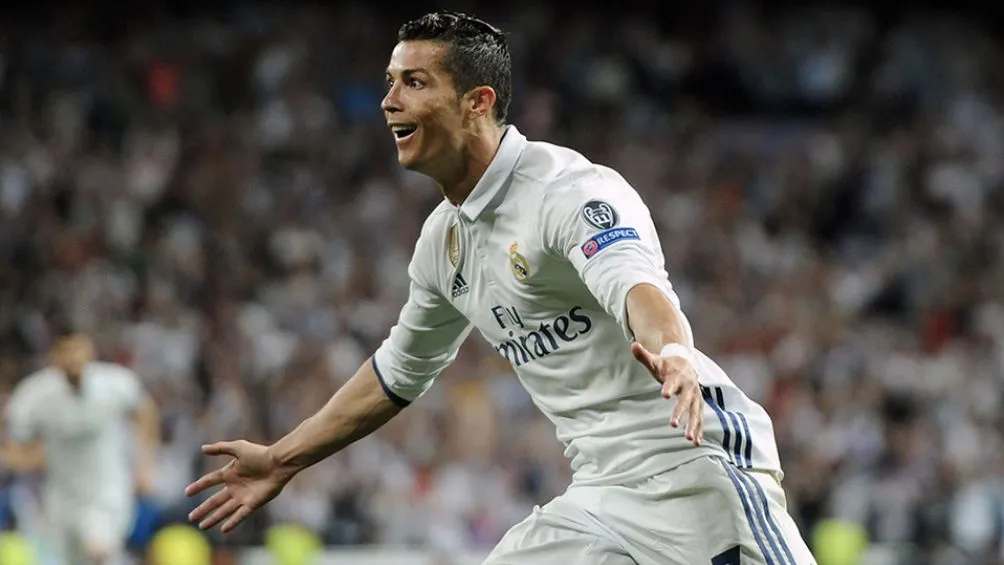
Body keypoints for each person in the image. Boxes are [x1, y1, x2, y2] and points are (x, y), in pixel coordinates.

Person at [186, 11, 817, 565]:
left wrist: (675, 355)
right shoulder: (443, 242)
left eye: (414, 82)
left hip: (692, 466)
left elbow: (637, 286)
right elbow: (398, 372)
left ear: (477, 102)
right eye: (389, 83)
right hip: (600, 492)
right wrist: (286, 456)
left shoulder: (567, 191)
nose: (389, 101)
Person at [2, 329, 160, 565]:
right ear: (54, 356)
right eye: (66, 351)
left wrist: (146, 464)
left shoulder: (115, 383)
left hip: (106, 491)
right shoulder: (34, 396)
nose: (73, 358)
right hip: (61, 496)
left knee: (97, 551)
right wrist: (30, 459)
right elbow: (13, 440)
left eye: (79, 349)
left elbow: (145, 412)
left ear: (90, 351)